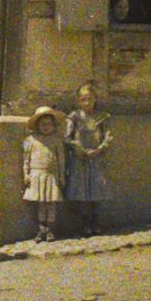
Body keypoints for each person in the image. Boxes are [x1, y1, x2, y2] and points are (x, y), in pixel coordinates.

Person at [62, 80, 113, 237]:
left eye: (90, 99)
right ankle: (85, 224)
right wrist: (79, 148)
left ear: (95, 99)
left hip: (96, 158)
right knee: (82, 193)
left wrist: (99, 149)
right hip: (80, 159)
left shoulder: (102, 117)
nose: (87, 102)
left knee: (96, 192)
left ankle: (95, 222)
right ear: (78, 101)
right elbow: (67, 137)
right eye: (83, 99)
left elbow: (108, 137)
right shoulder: (74, 117)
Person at [21, 105, 66, 243]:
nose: (46, 127)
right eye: (43, 124)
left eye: (49, 124)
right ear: (37, 125)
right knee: (41, 204)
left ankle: (50, 230)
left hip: (51, 175)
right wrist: (26, 174)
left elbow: (61, 159)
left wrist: (61, 175)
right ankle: (42, 230)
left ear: (54, 125)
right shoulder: (30, 140)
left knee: (51, 203)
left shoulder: (56, 140)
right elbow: (26, 159)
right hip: (37, 174)